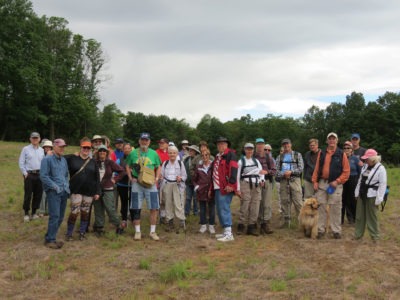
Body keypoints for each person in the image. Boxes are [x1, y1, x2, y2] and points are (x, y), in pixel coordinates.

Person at [312, 132, 350, 239]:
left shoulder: (341, 154)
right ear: (327, 141)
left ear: (337, 141)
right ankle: (320, 230)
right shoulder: (322, 153)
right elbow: (317, 168)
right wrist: (315, 181)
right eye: (330, 139)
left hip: (335, 185)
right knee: (321, 207)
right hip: (322, 183)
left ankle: (336, 231)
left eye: (334, 139)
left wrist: (337, 181)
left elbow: (346, 172)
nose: (332, 141)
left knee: (335, 208)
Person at [126, 132, 162, 241]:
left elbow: (158, 166)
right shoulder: (133, 153)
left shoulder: (154, 153)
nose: (144, 142)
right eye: (142, 140)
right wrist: (130, 177)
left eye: (146, 140)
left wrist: (156, 178)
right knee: (136, 207)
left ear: (149, 141)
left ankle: (152, 231)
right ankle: (137, 232)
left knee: (154, 208)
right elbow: (127, 166)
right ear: (139, 141)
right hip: (137, 184)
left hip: (151, 184)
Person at [64, 138, 101, 240]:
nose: (86, 149)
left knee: (85, 212)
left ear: (90, 149)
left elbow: (97, 178)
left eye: (88, 148)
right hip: (76, 190)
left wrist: (97, 192)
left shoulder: (93, 162)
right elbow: (60, 157)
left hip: (89, 191)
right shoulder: (72, 158)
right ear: (81, 148)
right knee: (74, 212)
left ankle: (82, 233)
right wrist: (50, 152)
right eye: (84, 147)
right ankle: (69, 233)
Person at [40, 139, 70, 249]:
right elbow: (43, 176)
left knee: (61, 216)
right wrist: (55, 187)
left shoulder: (64, 160)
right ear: (54, 147)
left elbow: (66, 175)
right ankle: (50, 240)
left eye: (63, 146)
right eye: (60, 146)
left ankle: (50, 236)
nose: (62, 148)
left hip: (64, 192)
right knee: (55, 216)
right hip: (54, 192)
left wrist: (66, 187)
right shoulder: (47, 160)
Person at [354, 149, 387, 242]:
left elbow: (382, 184)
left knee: (372, 216)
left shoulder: (381, 169)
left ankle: (375, 236)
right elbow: (360, 180)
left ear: (373, 159)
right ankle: (358, 235)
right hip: (362, 193)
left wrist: (379, 199)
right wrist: (356, 193)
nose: (365, 160)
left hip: (372, 195)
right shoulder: (365, 166)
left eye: (367, 159)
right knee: (359, 216)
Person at [93, 145, 126, 235]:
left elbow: (122, 171)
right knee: (98, 209)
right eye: (100, 151)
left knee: (110, 209)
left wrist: (115, 179)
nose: (102, 152)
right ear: (98, 152)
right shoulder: (94, 162)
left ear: (107, 153)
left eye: (104, 151)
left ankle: (119, 225)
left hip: (108, 188)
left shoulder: (110, 162)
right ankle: (99, 228)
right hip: (96, 190)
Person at [211, 136, 238, 242]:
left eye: (222, 144)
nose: (220, 145)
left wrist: (231, 184)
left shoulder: (230, 154)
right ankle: (225, 231)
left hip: (225, 186)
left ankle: (229, 233)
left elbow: (234, 168)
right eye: (218, 144)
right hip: (217, 186)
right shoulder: (218, 157)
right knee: (219, 208)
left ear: (227, 145)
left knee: (224, 208)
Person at [275, 138, 304, 227]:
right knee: (284, 201)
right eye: (284, 144)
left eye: (287, 144)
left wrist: (291, 172)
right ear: (282, 146)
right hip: (283, 181)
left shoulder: (297, 155)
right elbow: (276, 171)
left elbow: (301, 168)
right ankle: (285, 222)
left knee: (298, 201)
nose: (286, 146)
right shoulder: (279, 157)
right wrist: (283, 174)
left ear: (291, 145)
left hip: (295, 180)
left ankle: (302, 222)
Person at [236, 143, 263, 236]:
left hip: (256, 185)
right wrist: (238, 189)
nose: (249, 151)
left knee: (255, 205)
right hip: (245, 184)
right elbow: (237, 176)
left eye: (251, 149)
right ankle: (241, 225)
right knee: (245, 204)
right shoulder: (241, 161)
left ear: (253, 150)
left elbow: (261, 172)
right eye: (247, 149)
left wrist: (261, 180)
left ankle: (251, 226)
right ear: (244, 150)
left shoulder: (256, 161)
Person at [160, 146, 187, 233]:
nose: (172, 154)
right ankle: (169, 222)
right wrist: (161, 180)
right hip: (167, 184)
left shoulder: (180, 163)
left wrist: (180, 178)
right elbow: (162, 175)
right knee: (168, 204)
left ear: (176, 154)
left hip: (177, 185)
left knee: (179, 203)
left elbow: (185, 176)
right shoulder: (165, 163)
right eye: (170, 152)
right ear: (168, 154)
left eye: (174, 153)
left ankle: (181, 222)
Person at [19, 132, 45, 222]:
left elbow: (43, 163)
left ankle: (34, 213)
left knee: (38, 195)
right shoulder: (25, 149)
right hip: (29, 175)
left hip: (39, 175)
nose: (35, 139)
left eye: (36, 138)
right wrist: (25, 173)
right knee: (28, 194)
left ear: (39, 139)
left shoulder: (41, 150)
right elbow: (21, 162)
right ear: (30, 139)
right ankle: (26, 213)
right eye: (33, 138)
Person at [254, 138, 276, 235]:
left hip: (266, 181)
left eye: (262, 144)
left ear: (264, 145)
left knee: (266, 203)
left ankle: (265, 223)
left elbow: (274, 170)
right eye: (258, 144)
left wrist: (266, 172)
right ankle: (255, 223)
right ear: (256, 145)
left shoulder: (268, 157)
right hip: (255, 182)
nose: (260, 146)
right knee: (256, 203)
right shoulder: (252, 156)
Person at [192, 149, 215, 234]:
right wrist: (197, 187)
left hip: (211, 190)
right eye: (203, 155)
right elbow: (194, 179)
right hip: (201, 191)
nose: (205, 157)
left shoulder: (213, 166)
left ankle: (211, 225)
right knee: (202, 209)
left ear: (209, 156)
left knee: (212, 209)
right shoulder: (199, 167)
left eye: (206, 155)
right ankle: (203, 225)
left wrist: (213, 188)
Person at [342, 141, 361, 224]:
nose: (346, 149)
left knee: (353, 199)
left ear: (351, 150)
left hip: (353, 179)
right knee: (343, 199)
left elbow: (360, 171)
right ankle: (342, 219)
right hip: (343, 180)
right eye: (345, 148)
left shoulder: (355, 159)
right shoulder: (341, 158)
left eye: (348, 148)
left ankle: (354, 218)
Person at [116, 143, 133, 229]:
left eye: (128, 148)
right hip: (122, 184)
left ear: (131, 149)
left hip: (132, 184)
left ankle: (133, 217)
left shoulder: (135, 160)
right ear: (123, 150)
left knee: (132, 202)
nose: (126, 150)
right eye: (125, 148)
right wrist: (124, 172)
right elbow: (115, 171)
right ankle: (124, 218)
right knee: (124, 202)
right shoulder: (119, 160)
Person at [184, 145, 200, 216]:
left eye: (192, 150)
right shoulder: (186, 160)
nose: (190, 152)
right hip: (188, 182)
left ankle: (195, 212)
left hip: (197, 183)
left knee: (196, 198)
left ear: (195, 152)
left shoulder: (199, 160)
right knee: (188, 198)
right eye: (189, 150)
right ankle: (186, 212)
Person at [38, 139, 53, 217]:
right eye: (46, 147)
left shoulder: (53, 156)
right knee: (43, 194)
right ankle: (42, 211)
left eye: (49, 147)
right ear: (43, 148)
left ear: (51, 148)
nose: (47, 149)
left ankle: (48, 211)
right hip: (43, 177)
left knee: (50, 194)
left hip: (51, 177)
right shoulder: (41, 155)